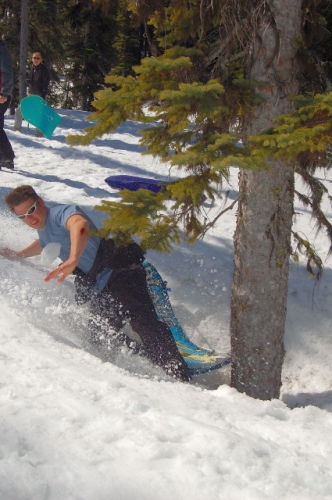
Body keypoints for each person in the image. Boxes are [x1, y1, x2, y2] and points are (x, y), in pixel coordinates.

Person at [1, 185, 192, 382]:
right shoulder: (43, 229)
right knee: (102, 333)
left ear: (40, 202)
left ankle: (180, 376)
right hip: (101, 285)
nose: (29, 219)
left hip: (121, 271)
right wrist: (18, 255)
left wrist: (73, 257)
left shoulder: (59, 213)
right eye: (22, 217)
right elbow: (43, 243)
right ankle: (152, 360)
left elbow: (79, 224)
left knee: (144, 323)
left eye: (31, 210)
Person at [14, 51, 50, 137]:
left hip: (39, 95)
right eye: (34, 58)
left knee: (39, 115)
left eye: (38, 58)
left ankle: (39, 134)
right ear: (32, 59)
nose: (36, 60)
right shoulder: (30, 68)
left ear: (41, 59)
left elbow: (46, 82)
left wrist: (43, 93)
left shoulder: (44, 69)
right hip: (30, 94)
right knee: (19, 110)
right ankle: (16, 130)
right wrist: (26, 79)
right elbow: (27, 82)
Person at [0, 39, 14, 170]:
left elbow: (8, 73)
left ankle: (7, 157)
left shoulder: (2, 50)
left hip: (1, 95)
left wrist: (4, 93)